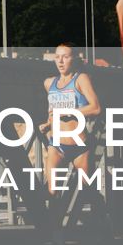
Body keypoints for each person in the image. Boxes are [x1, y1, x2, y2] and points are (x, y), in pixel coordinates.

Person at [39, 43, 102, 182]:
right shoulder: (49, 83)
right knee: (52, 190)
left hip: (79, 145)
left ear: (74, 59)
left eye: (65, 57)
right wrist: (47, 124)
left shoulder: (81, 79)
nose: (60, 61)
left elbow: (96, 108)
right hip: (56, 145)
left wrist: (68, 112)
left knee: (85, 189)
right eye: (57, 57)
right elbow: (52, 113)